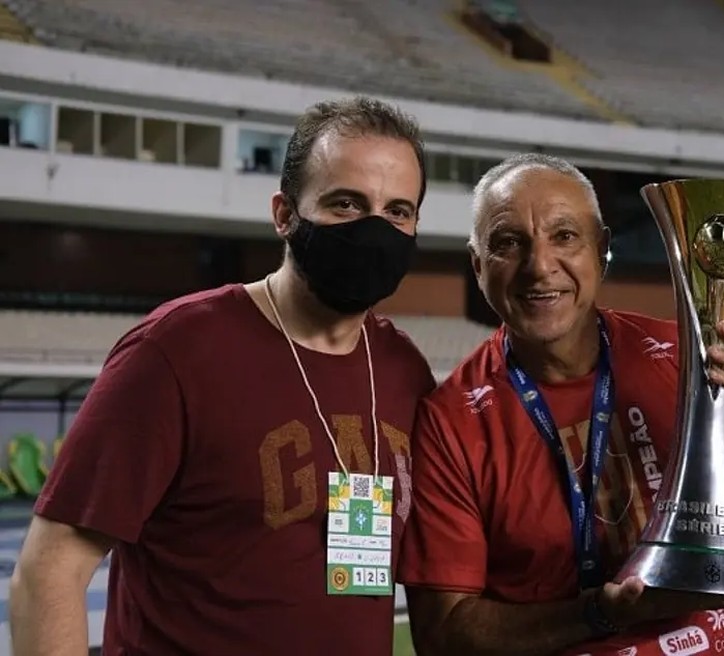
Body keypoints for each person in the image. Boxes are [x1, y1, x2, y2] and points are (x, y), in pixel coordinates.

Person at [10, 96, 436, 656]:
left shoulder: (405, 371)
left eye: (397, 211)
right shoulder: (175, 352)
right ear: (285, 215)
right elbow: (48, 574)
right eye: (347, 204)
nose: (375, 229)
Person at [397, 154, 724, 656]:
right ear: (479, 265)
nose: (539, 266)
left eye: (564, 236)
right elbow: (443, 638)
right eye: (508, 243)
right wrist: (604, 612)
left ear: (602, 249)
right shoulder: (450, 422)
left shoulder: (686, 358)